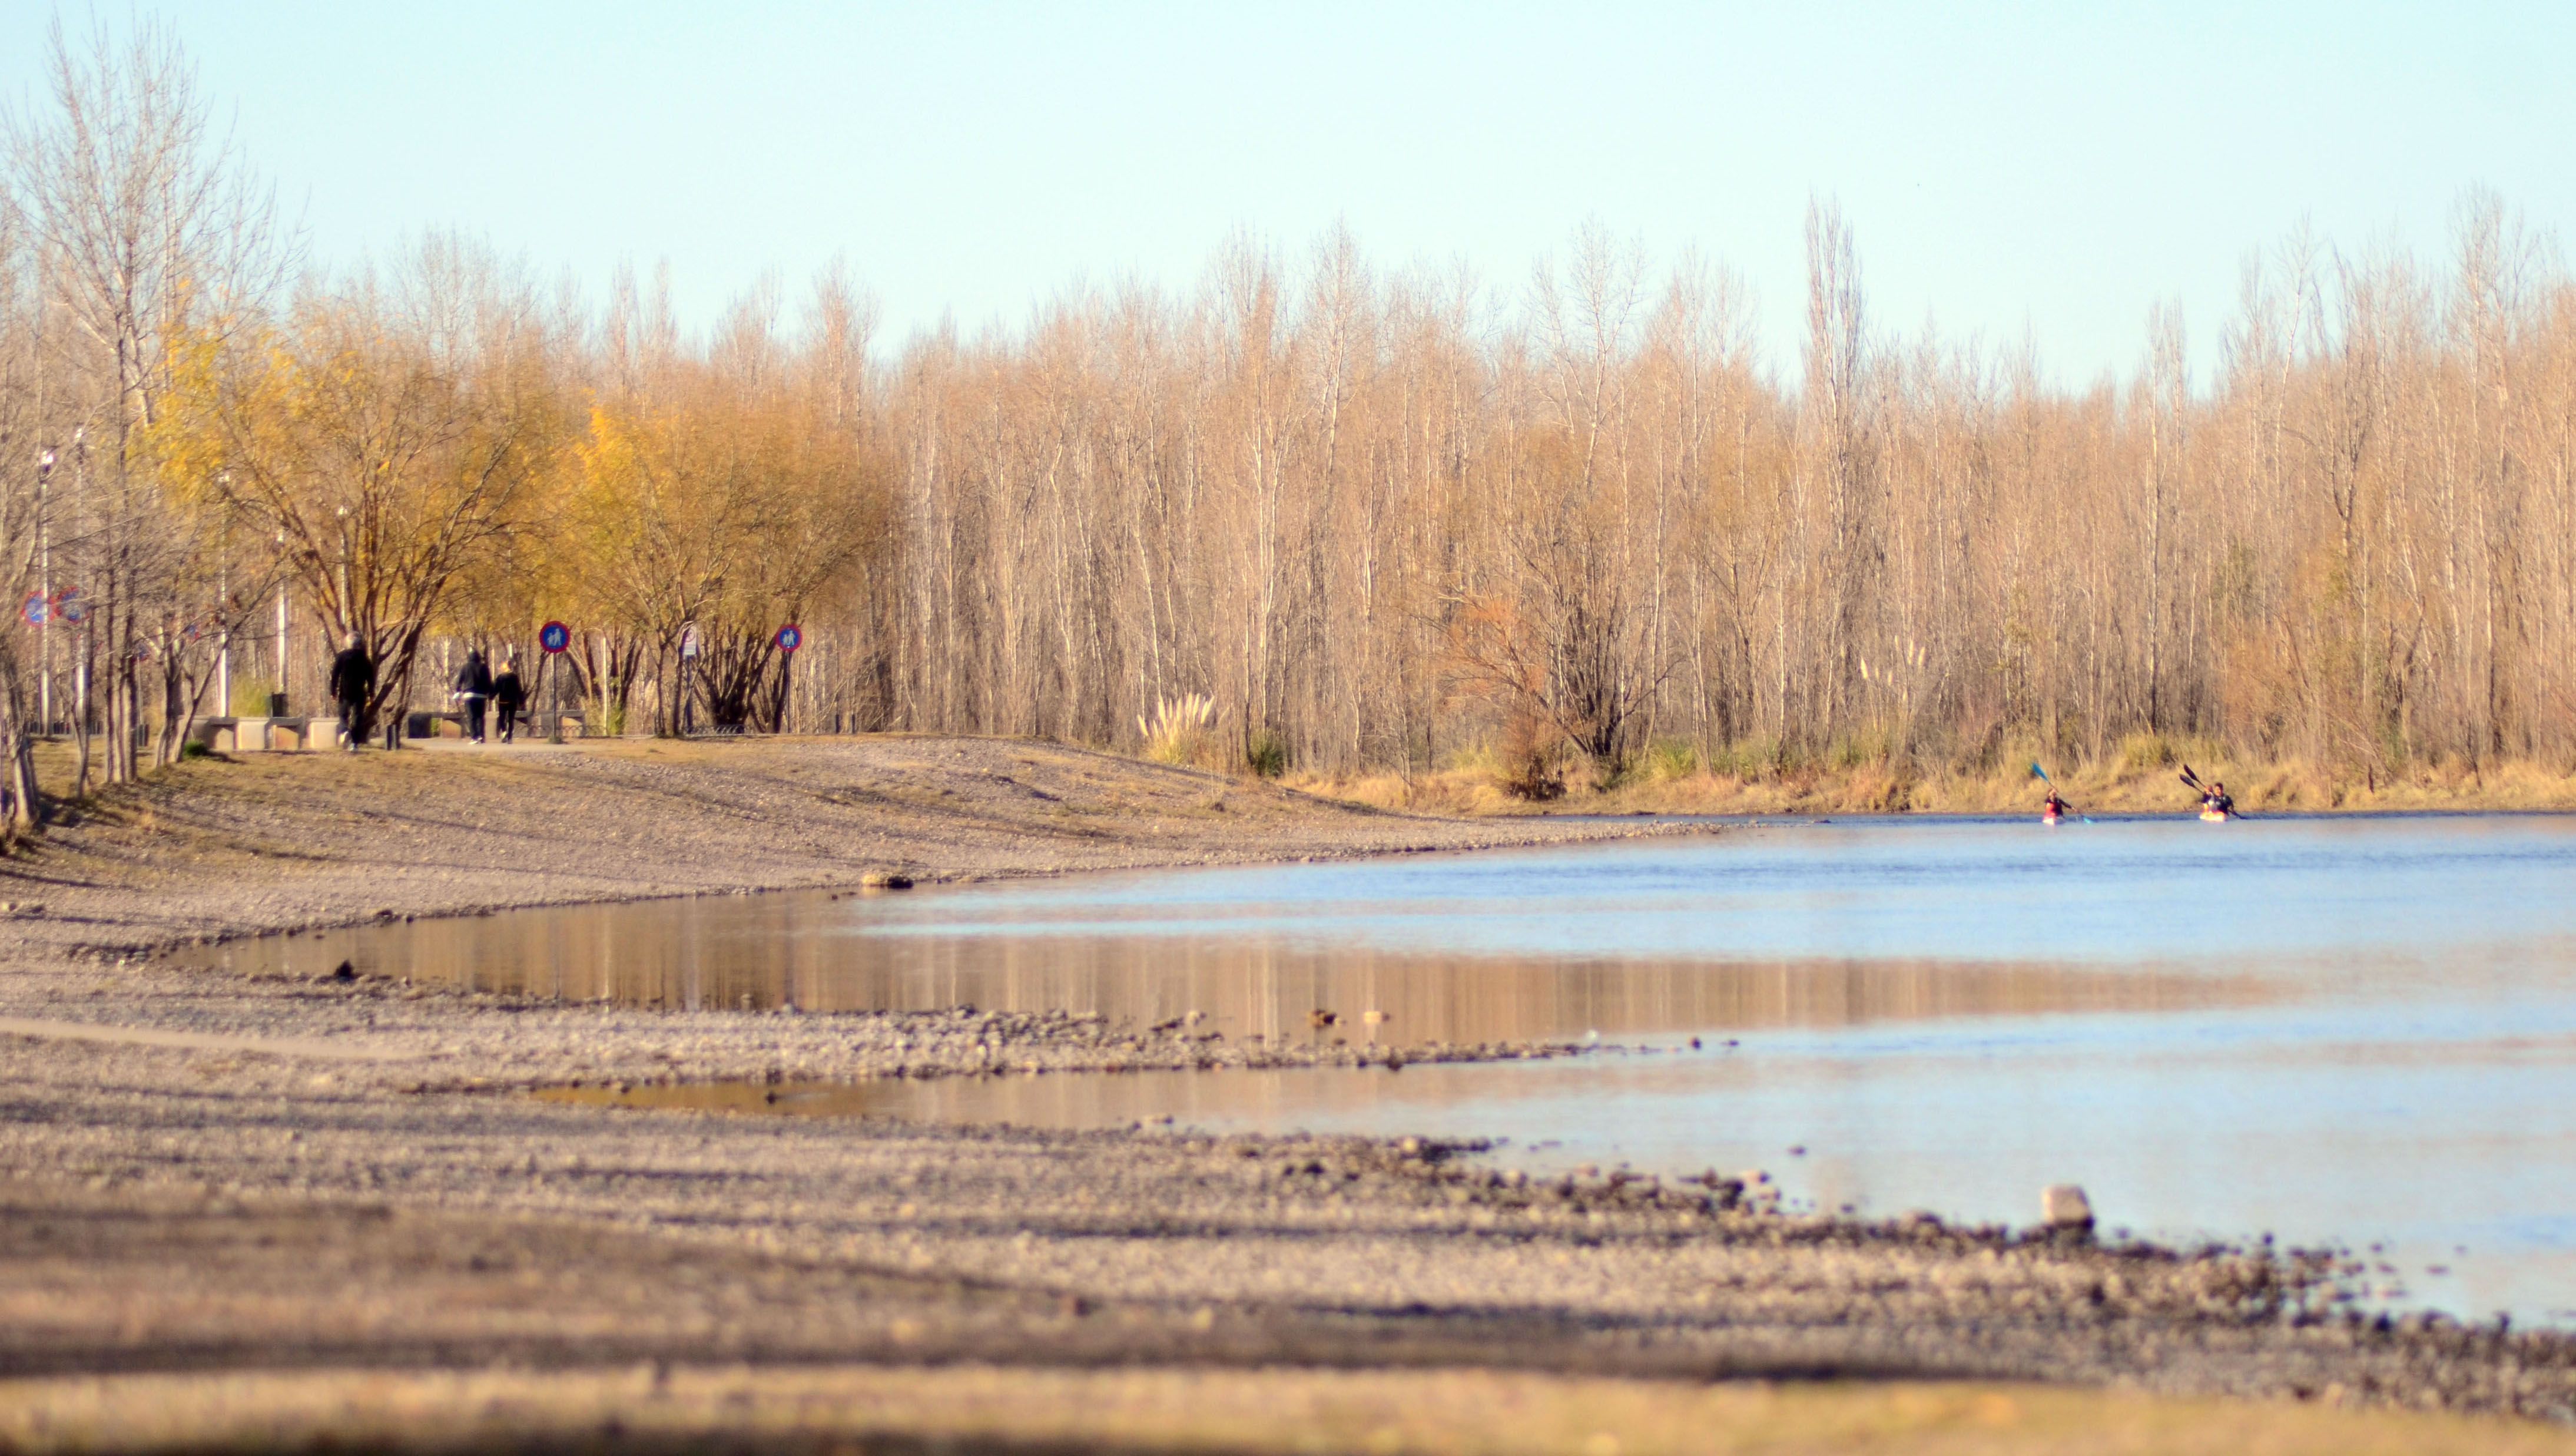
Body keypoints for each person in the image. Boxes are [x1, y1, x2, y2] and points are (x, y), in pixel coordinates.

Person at [329, 633, 373, 753]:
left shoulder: (341, 657)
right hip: (360, 693)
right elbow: (371, 677)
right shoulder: (365, 659)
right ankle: (354, 744)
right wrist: (371, 693)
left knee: (343, 715)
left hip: (345, 693)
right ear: (360, 644)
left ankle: (345, 731)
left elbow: (335, 675)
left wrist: (333, 690)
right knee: (357, 718)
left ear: (347, 643)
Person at [453, 649, 493, 744]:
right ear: (479, 657)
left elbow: (459, 681)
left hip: (469, 695)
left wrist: (458, 690)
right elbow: (489, 682)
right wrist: (491, 693)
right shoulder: (484, 667)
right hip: (481, 696)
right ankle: (481, 736)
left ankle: (474, 737)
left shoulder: (465, 667)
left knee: (471, 717)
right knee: (480, 717)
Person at [492, 658, 526, 744]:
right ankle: (510, 738)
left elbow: (496, 689)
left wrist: (491, 696)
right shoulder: (515, 677)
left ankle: (504, 731)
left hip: (503, 701)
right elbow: (519, 689)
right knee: (511, 720)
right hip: (513, 702)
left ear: (504, 668)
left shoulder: (500, 677)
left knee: (502, 718)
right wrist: (521, 701)